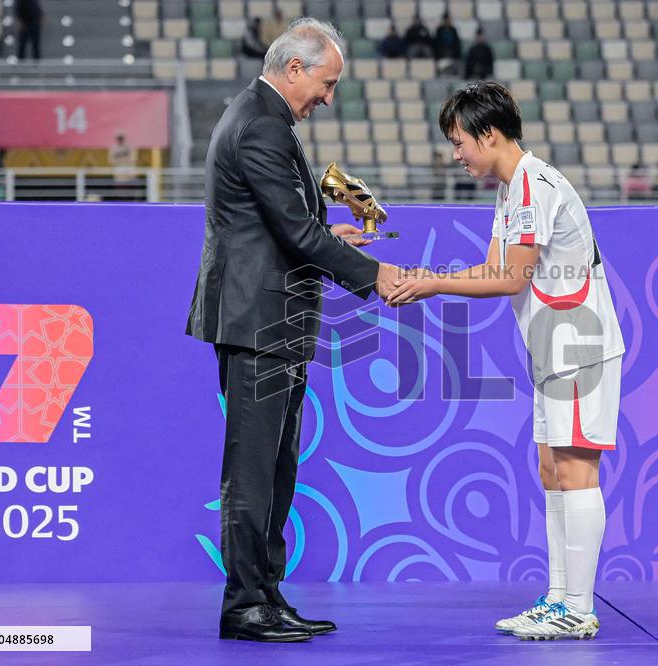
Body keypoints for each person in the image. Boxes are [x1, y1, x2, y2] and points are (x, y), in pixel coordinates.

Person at [186, 18, 401, 644]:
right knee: (253, 469)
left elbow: (282, 229)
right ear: (296, 68)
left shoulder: (265, 119)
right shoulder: (260, 125)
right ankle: (245, 604)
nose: (329, 98)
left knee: (277, 467)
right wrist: (376, 274)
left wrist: (332, 238)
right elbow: (294, 233)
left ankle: (265, 594)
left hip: (271, 319)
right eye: (327, 83)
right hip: (259, 321)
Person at [387, 82, 625, 641]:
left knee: (575, 471)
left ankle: (578, 608)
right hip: (551, 350)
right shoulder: (510, 190)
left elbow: (509, 279)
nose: (457, 155)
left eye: (459, 141)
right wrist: (430, 279)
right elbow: (490, 267)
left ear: (488, 134)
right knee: (551, 472)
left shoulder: (535, 186)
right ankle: (559, 598)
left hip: (578, 346)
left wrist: (433, 285)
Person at [109, 132, 138, 198]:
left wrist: (118, 160)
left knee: (131, 197)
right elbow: (111, 161)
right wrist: (126, 159)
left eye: (121, 138)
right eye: (119, 138)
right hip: (119, 178)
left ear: (124, 138)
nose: (120, 140)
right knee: (120, 197)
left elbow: (133, 160)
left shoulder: (130, 147)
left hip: (130, 177)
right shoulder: (113, 148)